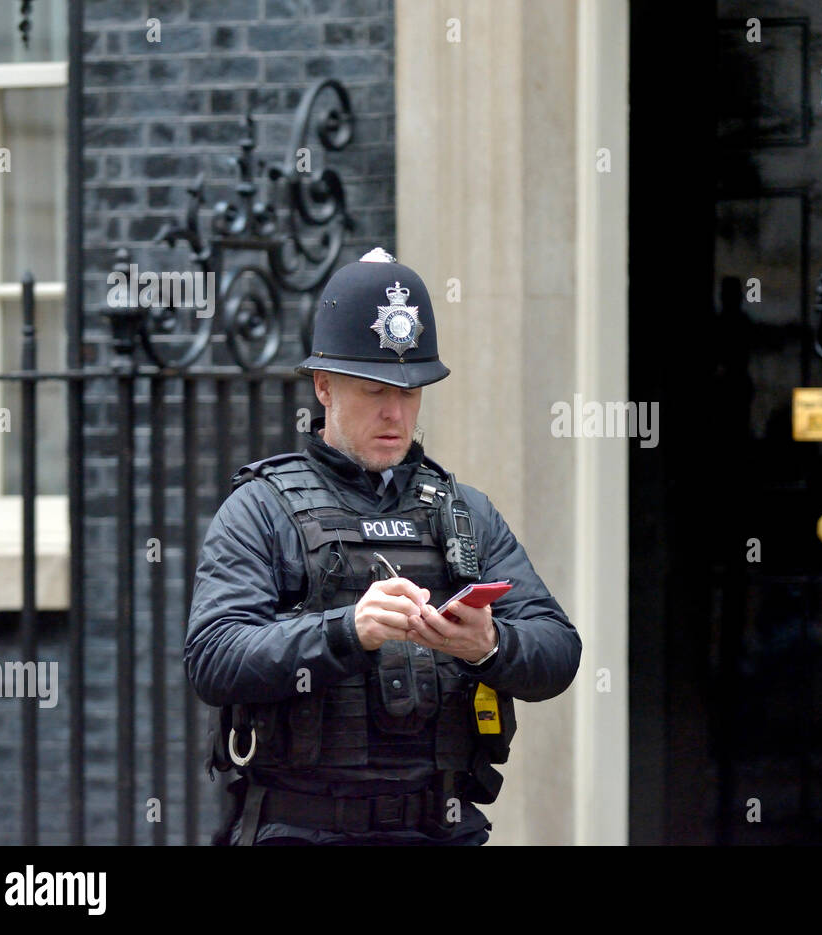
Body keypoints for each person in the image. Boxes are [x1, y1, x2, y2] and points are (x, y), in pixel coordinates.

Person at [184, 248, 581, 845]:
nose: (396, 412)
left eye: (412, 391)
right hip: (301, 829)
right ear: (323, 387)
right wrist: (347, 631)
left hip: (439, 827)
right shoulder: (261, 508)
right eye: (373, 390)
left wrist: (489, 645)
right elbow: (214, 659)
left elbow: (559, 652)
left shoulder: (465, 511)